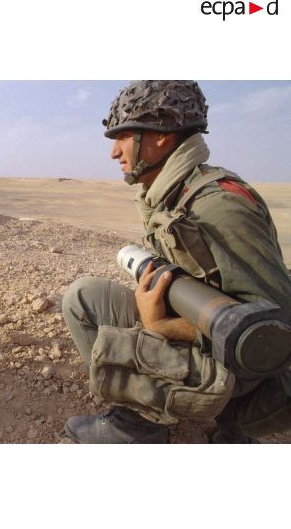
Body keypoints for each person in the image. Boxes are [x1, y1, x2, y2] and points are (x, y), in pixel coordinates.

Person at [62, 80, 291, 443]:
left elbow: (274, 331)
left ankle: (138, 428)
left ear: (160, 137)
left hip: (248, 369)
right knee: (84, 296)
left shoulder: (216, 205)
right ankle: (161, 409)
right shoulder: (172, 195)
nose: (114, 153)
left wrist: (163, 327)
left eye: (121, 137)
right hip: (209, 339)